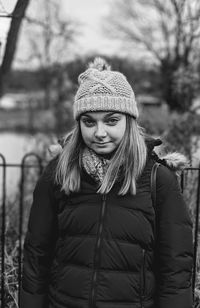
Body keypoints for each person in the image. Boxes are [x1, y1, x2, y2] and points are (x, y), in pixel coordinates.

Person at [20, 57, 194, 308]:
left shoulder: (158, 179)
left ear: (128, 121)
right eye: (89, 121)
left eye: (111, 120)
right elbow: (37, 255)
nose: (99, 132)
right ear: (79, 124)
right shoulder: (58, 173)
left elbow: (175, 269)